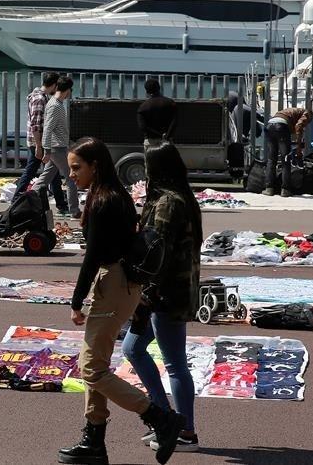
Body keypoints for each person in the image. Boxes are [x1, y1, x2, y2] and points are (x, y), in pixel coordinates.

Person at [58, 137, 185, 465]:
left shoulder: (104, 201)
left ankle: (159, 417)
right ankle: (94, 441)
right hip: (121, 283)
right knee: (94, 365)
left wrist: (76, 301)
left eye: (76, 167)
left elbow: (93, 256)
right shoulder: (113, 196)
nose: (71, 174)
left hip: (114, 284)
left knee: (92, 368)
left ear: (94, 166)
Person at [123, 142, 202, 454]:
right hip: (171, 288)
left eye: (148, 166)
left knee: (174, 363)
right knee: (134, 348)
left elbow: (158, 250)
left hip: (167, 291)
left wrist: (145, 291)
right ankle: (164, 419)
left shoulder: (168, 203)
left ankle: (184, 430)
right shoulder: (179, 197)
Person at [13, 72, 66, 209]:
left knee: (52, 172)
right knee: (31, 171)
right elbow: (36, 125)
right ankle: (16, 199)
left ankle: (61, 204)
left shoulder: (40, 97)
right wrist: (38, 146)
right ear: (54, 85)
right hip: (39, 142)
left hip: (42, 142)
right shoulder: (39, 99)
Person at [35, 76, 80, 217]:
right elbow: (48, 128)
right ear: (67, 90)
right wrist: (46, 150)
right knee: (71, 178)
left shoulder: (55, 103)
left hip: (57, 147)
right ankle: (74, 211)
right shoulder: (55, 106)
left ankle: (29, 199)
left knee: (44, 179)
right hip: (57, 148)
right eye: (71, 90)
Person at [263, 106, 310, 197]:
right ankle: (285, 189)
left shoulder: (287, 111)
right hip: (281, 126)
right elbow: (299, 126)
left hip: (269, 126)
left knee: (271, 159)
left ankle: (269, 189)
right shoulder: (308, 113)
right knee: (285, 159)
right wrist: (299, 146)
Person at [137, 78, 178, 145]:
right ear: (159, 88)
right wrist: (167, 136)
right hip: (167, 140)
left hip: (151, 140)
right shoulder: (170, 103)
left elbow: (143, 127)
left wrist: (159, 134)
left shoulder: (143, 107)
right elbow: (174, 122)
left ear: (147, 91)